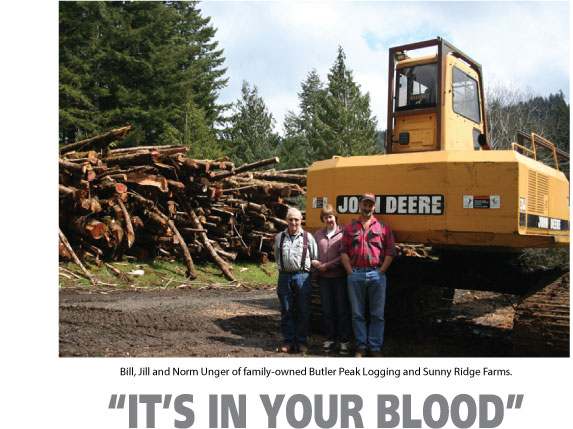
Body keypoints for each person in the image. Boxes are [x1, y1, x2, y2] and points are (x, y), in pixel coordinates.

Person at [340, 192, 396, 357]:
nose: (367, 208)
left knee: (377, 314)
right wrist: (350, 271)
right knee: (357, 313)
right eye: (364, 204)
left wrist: (382, 270)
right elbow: (343, 251)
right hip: (356, 273)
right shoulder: (350, 227)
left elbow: (390, 251)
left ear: (374, 207)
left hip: (376, 274)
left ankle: (375, 347)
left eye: (370, 205)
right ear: (360, 206)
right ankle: (361, 347)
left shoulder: (383, 227)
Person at [274, 207, 319, 354]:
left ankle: (301, 342)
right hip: (284, 276)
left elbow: (314, 257)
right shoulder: (279, 237)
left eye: (296, 219)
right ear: (286, 220)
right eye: (291, 219)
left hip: (302, 277)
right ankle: (288, 341)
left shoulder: (308, 237)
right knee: (286, 310)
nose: (294, 222)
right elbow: (276, 256)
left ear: (301, 221)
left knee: (303, 311)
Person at [311, 204, 351, 355]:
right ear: (323, 219)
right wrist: (314, 262)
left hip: (339, 278)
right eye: (326, 217)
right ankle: (330, 338)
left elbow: (344, 256)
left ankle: (344, 341)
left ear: (335, 217)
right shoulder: (318, 234)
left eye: (331, 216)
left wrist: (327, 265)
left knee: (342, 310)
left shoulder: (343, 233)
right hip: (324, 279)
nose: (329, 220)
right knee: (327, 309)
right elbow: (312, 252)